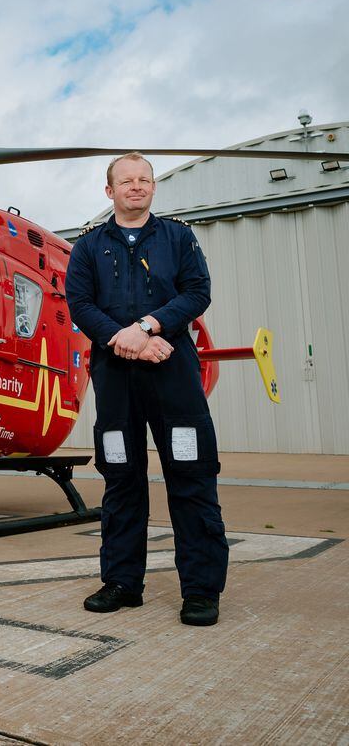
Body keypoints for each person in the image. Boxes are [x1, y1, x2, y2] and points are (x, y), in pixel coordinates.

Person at [65, 152, 228, 627]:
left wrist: (149, 327)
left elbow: (197, 291)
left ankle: (200, 590)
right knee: (121, 478)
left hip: (172, 372)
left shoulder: (178, 237)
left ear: (153, 188)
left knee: (192, 477)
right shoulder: (89, 247)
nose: (136, 187)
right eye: (126, 181)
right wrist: (126, 340)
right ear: (109, 191)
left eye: (144, 180)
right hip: (117, 378)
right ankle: (121, 582)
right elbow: (80, 303)